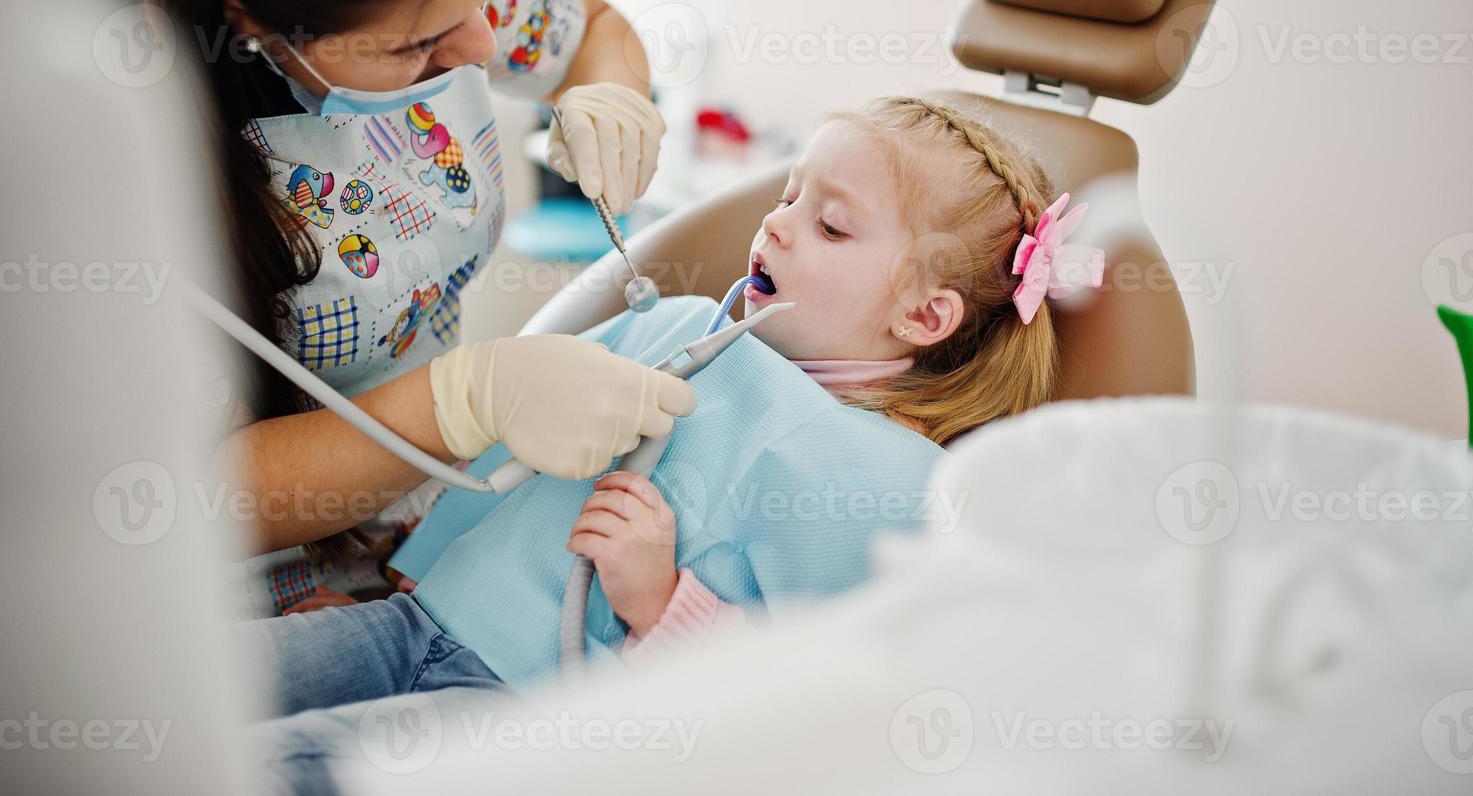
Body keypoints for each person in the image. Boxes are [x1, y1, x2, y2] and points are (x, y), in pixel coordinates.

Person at [239, 96, 1105, 794]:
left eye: (831, 227)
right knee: (162, 688)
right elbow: (510, 463)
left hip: (518, 712)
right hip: (406, 623)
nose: (778, 226)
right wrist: (406, 576)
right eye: (788, 195)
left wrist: (660, 601)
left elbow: (799, 699)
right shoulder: (680, 323)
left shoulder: (888, 476)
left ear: (922, 313)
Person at [34, 0, 695, 554]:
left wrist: (613, 93)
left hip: (423, 521)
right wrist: (458, 404)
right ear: (248, 17)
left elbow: (593, 31)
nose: (481, 47)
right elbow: (166, 490)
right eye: (414, 45)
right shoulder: (84, 129)